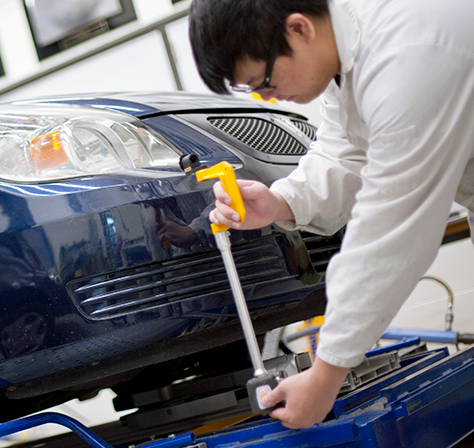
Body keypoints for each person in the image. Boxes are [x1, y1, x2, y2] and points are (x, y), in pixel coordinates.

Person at [188, 0, 474, 429]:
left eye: (261, 80)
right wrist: (280, 201)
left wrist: (325, 376)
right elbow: (344, 152)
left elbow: (390, 229)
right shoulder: (348, 52)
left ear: (299, 28)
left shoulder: (406, 53)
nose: (266, 96)